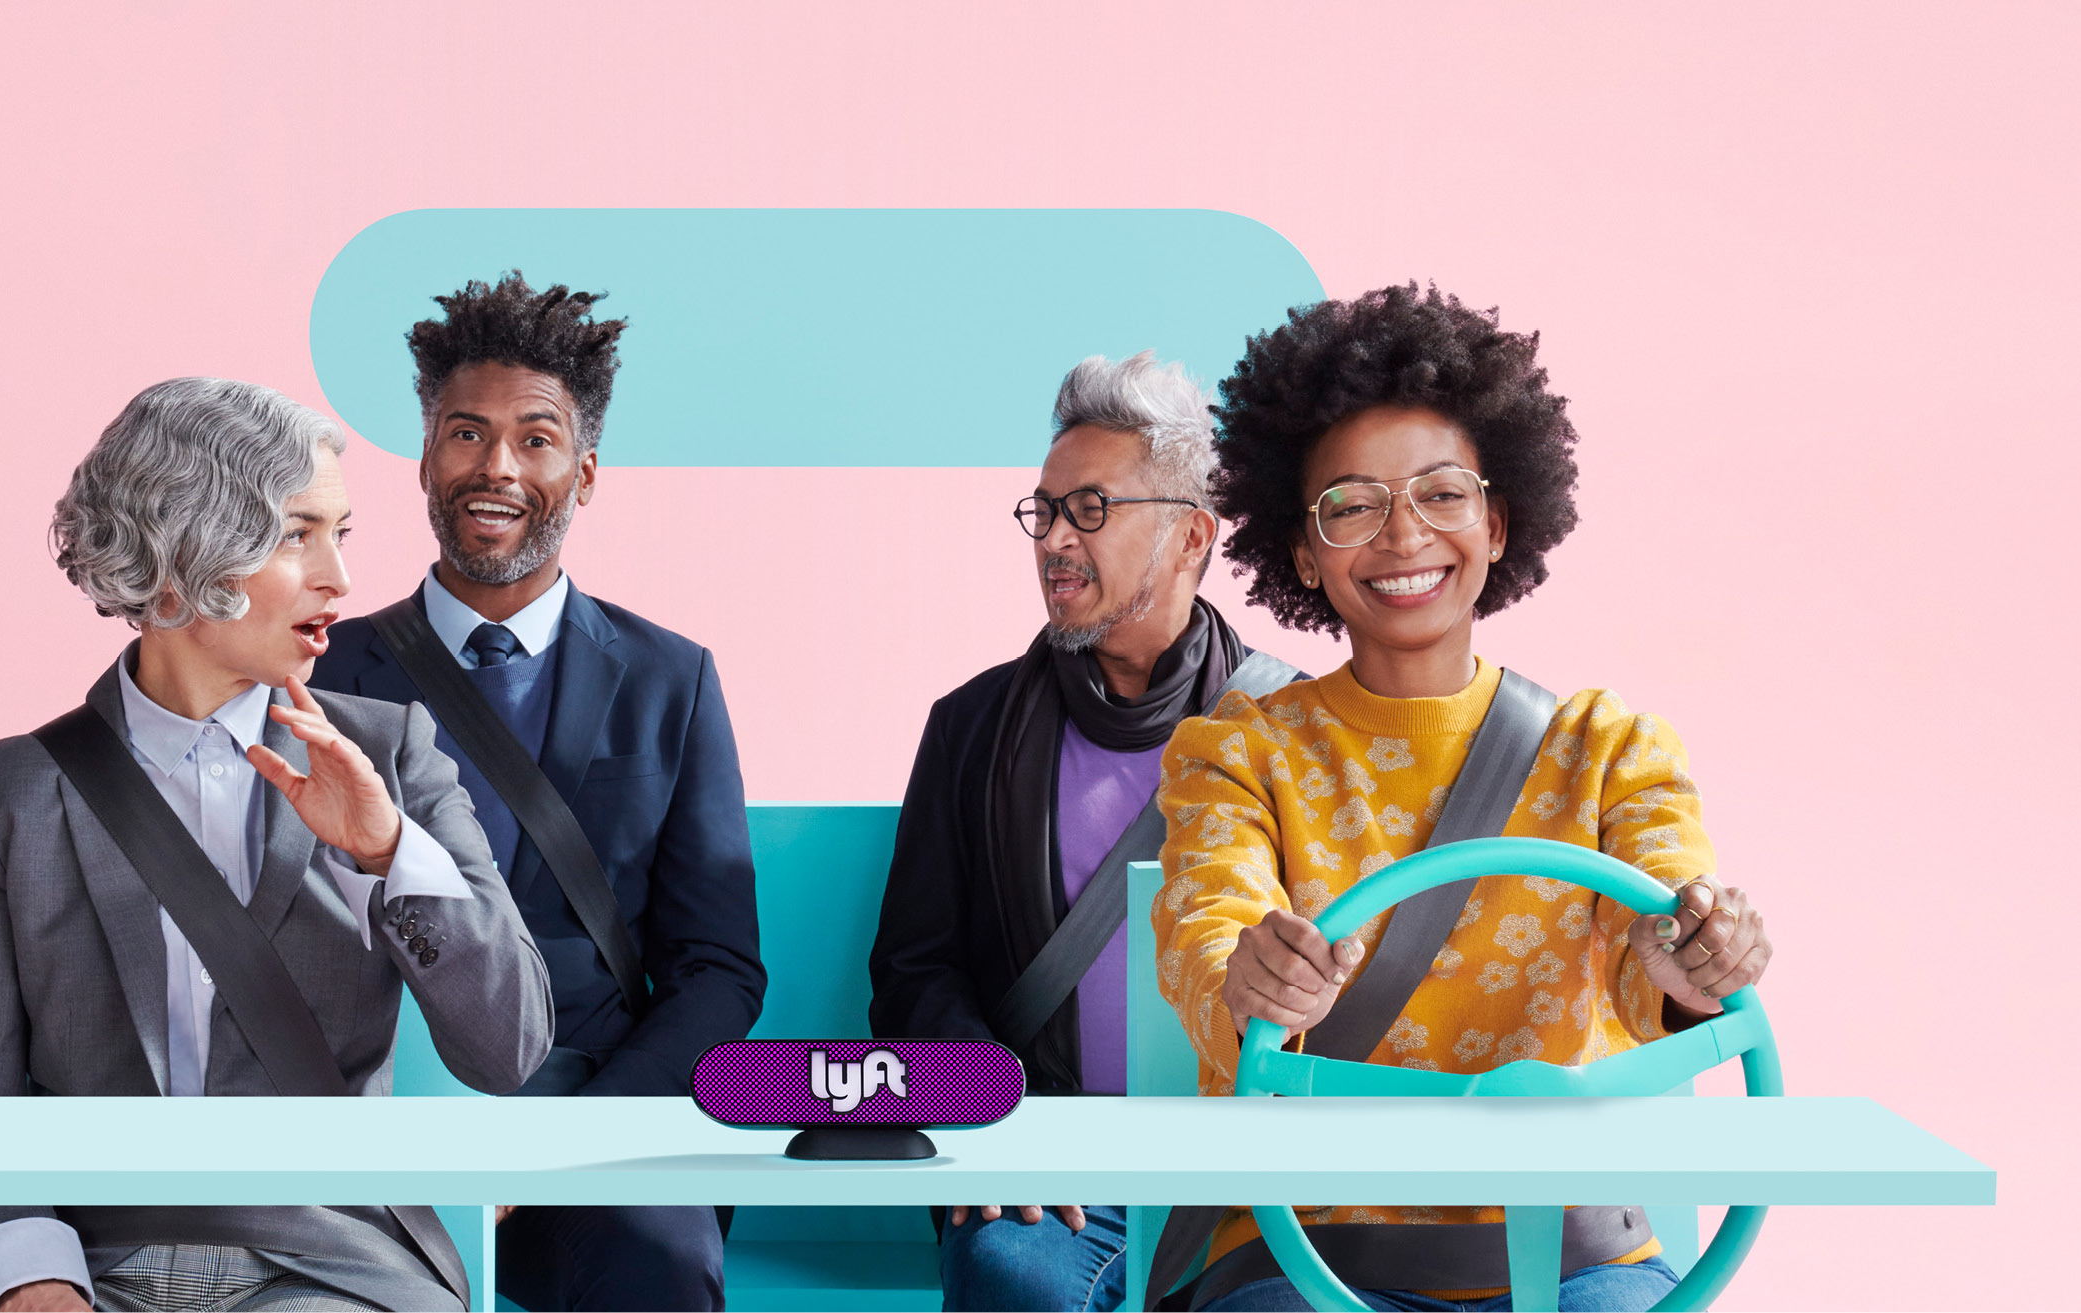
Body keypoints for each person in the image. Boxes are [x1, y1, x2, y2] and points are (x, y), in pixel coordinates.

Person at [1150, 284, 1776, 1312]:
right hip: (1300, 1255)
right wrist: (1254, 980)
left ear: (1495, 521)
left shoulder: (1608, 750)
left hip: (1573, 1261)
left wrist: (1696, 958)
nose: (1403, 535)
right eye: (1352, 505)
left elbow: (1663, 936)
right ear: (1303, 550)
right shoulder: (1237, 754)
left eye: (1441, 493)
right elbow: (1208, 939)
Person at [0, 377, 553, 1313]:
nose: (339, 579)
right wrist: (25, 1280)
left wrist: (388, 852)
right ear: (181, 556)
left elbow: (511, 1048)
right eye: (298, 535)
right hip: (83, 1257)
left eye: (341, 533)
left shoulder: (389, 756)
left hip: (325, 1268)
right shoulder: (7, 792)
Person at [310, 273, 765, 1313]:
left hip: (597, 1113)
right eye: (466, 434)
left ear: (585, 471)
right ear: (425, 458)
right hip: (376, 1111)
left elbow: (719, 969)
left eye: (536, 438)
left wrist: (572, 1138)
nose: (497, 468)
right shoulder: (321, 673)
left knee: (660, 1259)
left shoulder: (671, 679)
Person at [869, 352, 1300, 1312]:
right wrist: (995, 1116)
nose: (1055, 539)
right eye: (1045, 510)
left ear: (1191, 535)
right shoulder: (970, 727)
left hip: (1247, 1171)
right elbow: (913, 972)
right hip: (1046, 1167)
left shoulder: (1294, 728)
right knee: (1009, 1276)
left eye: (1091, 509)